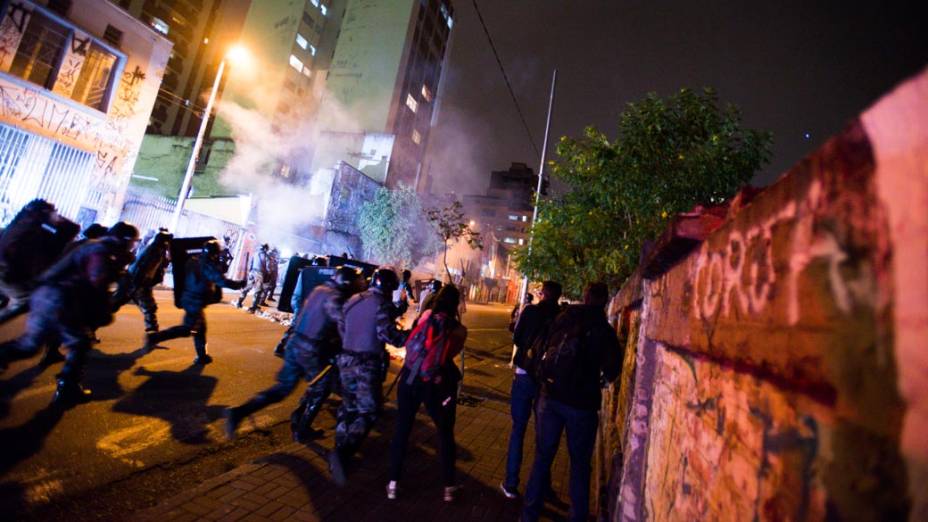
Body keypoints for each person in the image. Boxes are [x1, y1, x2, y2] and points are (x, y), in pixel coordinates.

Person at [0, 222, 139, 405]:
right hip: (61, 300)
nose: (134, 246)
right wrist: (103, 309)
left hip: (47, 296)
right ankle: (68, 388)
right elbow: (98, 281)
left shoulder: (92, 245)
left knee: (30, 344)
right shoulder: (101, 251)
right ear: (125, 240)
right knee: (80, 342)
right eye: (134, 242)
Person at [521, 282, 622, 522]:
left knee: (542, 458)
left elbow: (542, 345)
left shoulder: (564, 318)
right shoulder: (604, 330)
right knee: (579, 466)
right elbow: (612, 370)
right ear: (605, 301)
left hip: (551, 396)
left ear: (585, 296)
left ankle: (528, 515)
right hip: (582, 405)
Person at [225, 266, 363, 442]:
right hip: (311, 351)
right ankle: (301, 429)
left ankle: (239, 412)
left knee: (282, 389)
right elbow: (346, 329)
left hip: (295, 344)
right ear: (348, 284)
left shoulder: (320, 290)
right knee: (322, 388)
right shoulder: (336, 299)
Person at [327, 267, 410, 486]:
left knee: (348, 407)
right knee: (369, 411)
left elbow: (342, 326)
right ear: (389, 288)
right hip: (366, 364)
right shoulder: (380, 304)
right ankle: (343, 453)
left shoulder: (354, 299)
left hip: (345, 359)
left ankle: (338, 449)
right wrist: (409, 336)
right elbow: (387, 334)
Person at [387, 285, 467, 502]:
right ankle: (449, 487)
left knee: (402, 430)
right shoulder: (459, 330)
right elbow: (450, 354)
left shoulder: (424, 317)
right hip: (437, 384)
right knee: (445, 433)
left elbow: (412, 341)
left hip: (411, 379)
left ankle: (393, 483)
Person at [501, 281, 562, 499]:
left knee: (518, 430)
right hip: (546, 381)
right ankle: (541, 487)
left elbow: (517, 337)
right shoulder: (562, 317)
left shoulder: (531, 312)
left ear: (543, 294)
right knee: (543, 436)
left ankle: (511, 484)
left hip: (524, 375)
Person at [145, 239, 245, 365]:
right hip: (195, 301)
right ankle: (154, 337)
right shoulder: (207, 265)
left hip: (189, 298)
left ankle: (202, 356)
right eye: (217, 254)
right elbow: (221, 281)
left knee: (201, 329)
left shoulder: (194, 261)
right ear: (213, 254)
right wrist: (239, 285)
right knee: (187, 329)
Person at [0, 200, 80, 325]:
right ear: (46, 212)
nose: (58, 215)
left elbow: (70, 231)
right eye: (55, 212)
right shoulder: (34, 227)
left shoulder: (26, 222)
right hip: (7, 273)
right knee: (24, 300)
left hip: (9, 272)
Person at [112, 229, 172, 334]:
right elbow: (141, 268)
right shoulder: (154, 251)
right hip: (137, 282)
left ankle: (153, 331)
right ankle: (89, 325)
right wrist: (138, 285)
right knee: (115, 303)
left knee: (149, 308)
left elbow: (161, 266)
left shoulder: (157, 250)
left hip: (139, 282)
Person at [235, 243, 269, 313]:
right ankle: (253, 307)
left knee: (247, 288)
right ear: (265, 249)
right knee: (258, 291)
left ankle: (239, 302)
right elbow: (268, 268)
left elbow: (251, 263)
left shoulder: (255, 253)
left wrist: (250, 272)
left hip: (252, 272)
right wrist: (268, 274)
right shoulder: (266, 256)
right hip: (260, 274)